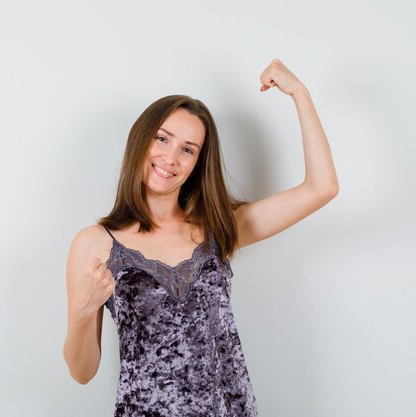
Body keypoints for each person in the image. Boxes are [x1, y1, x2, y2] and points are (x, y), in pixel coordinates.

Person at [63, 58, 339, 416]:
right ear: (141, 140)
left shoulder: (219, 229)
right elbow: (81, 372)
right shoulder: (95, 243)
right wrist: (85, 312)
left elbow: (322, 188)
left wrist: (300, 93)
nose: (170, 157)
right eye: (162, 138)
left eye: (188, 149)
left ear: (197, 163)